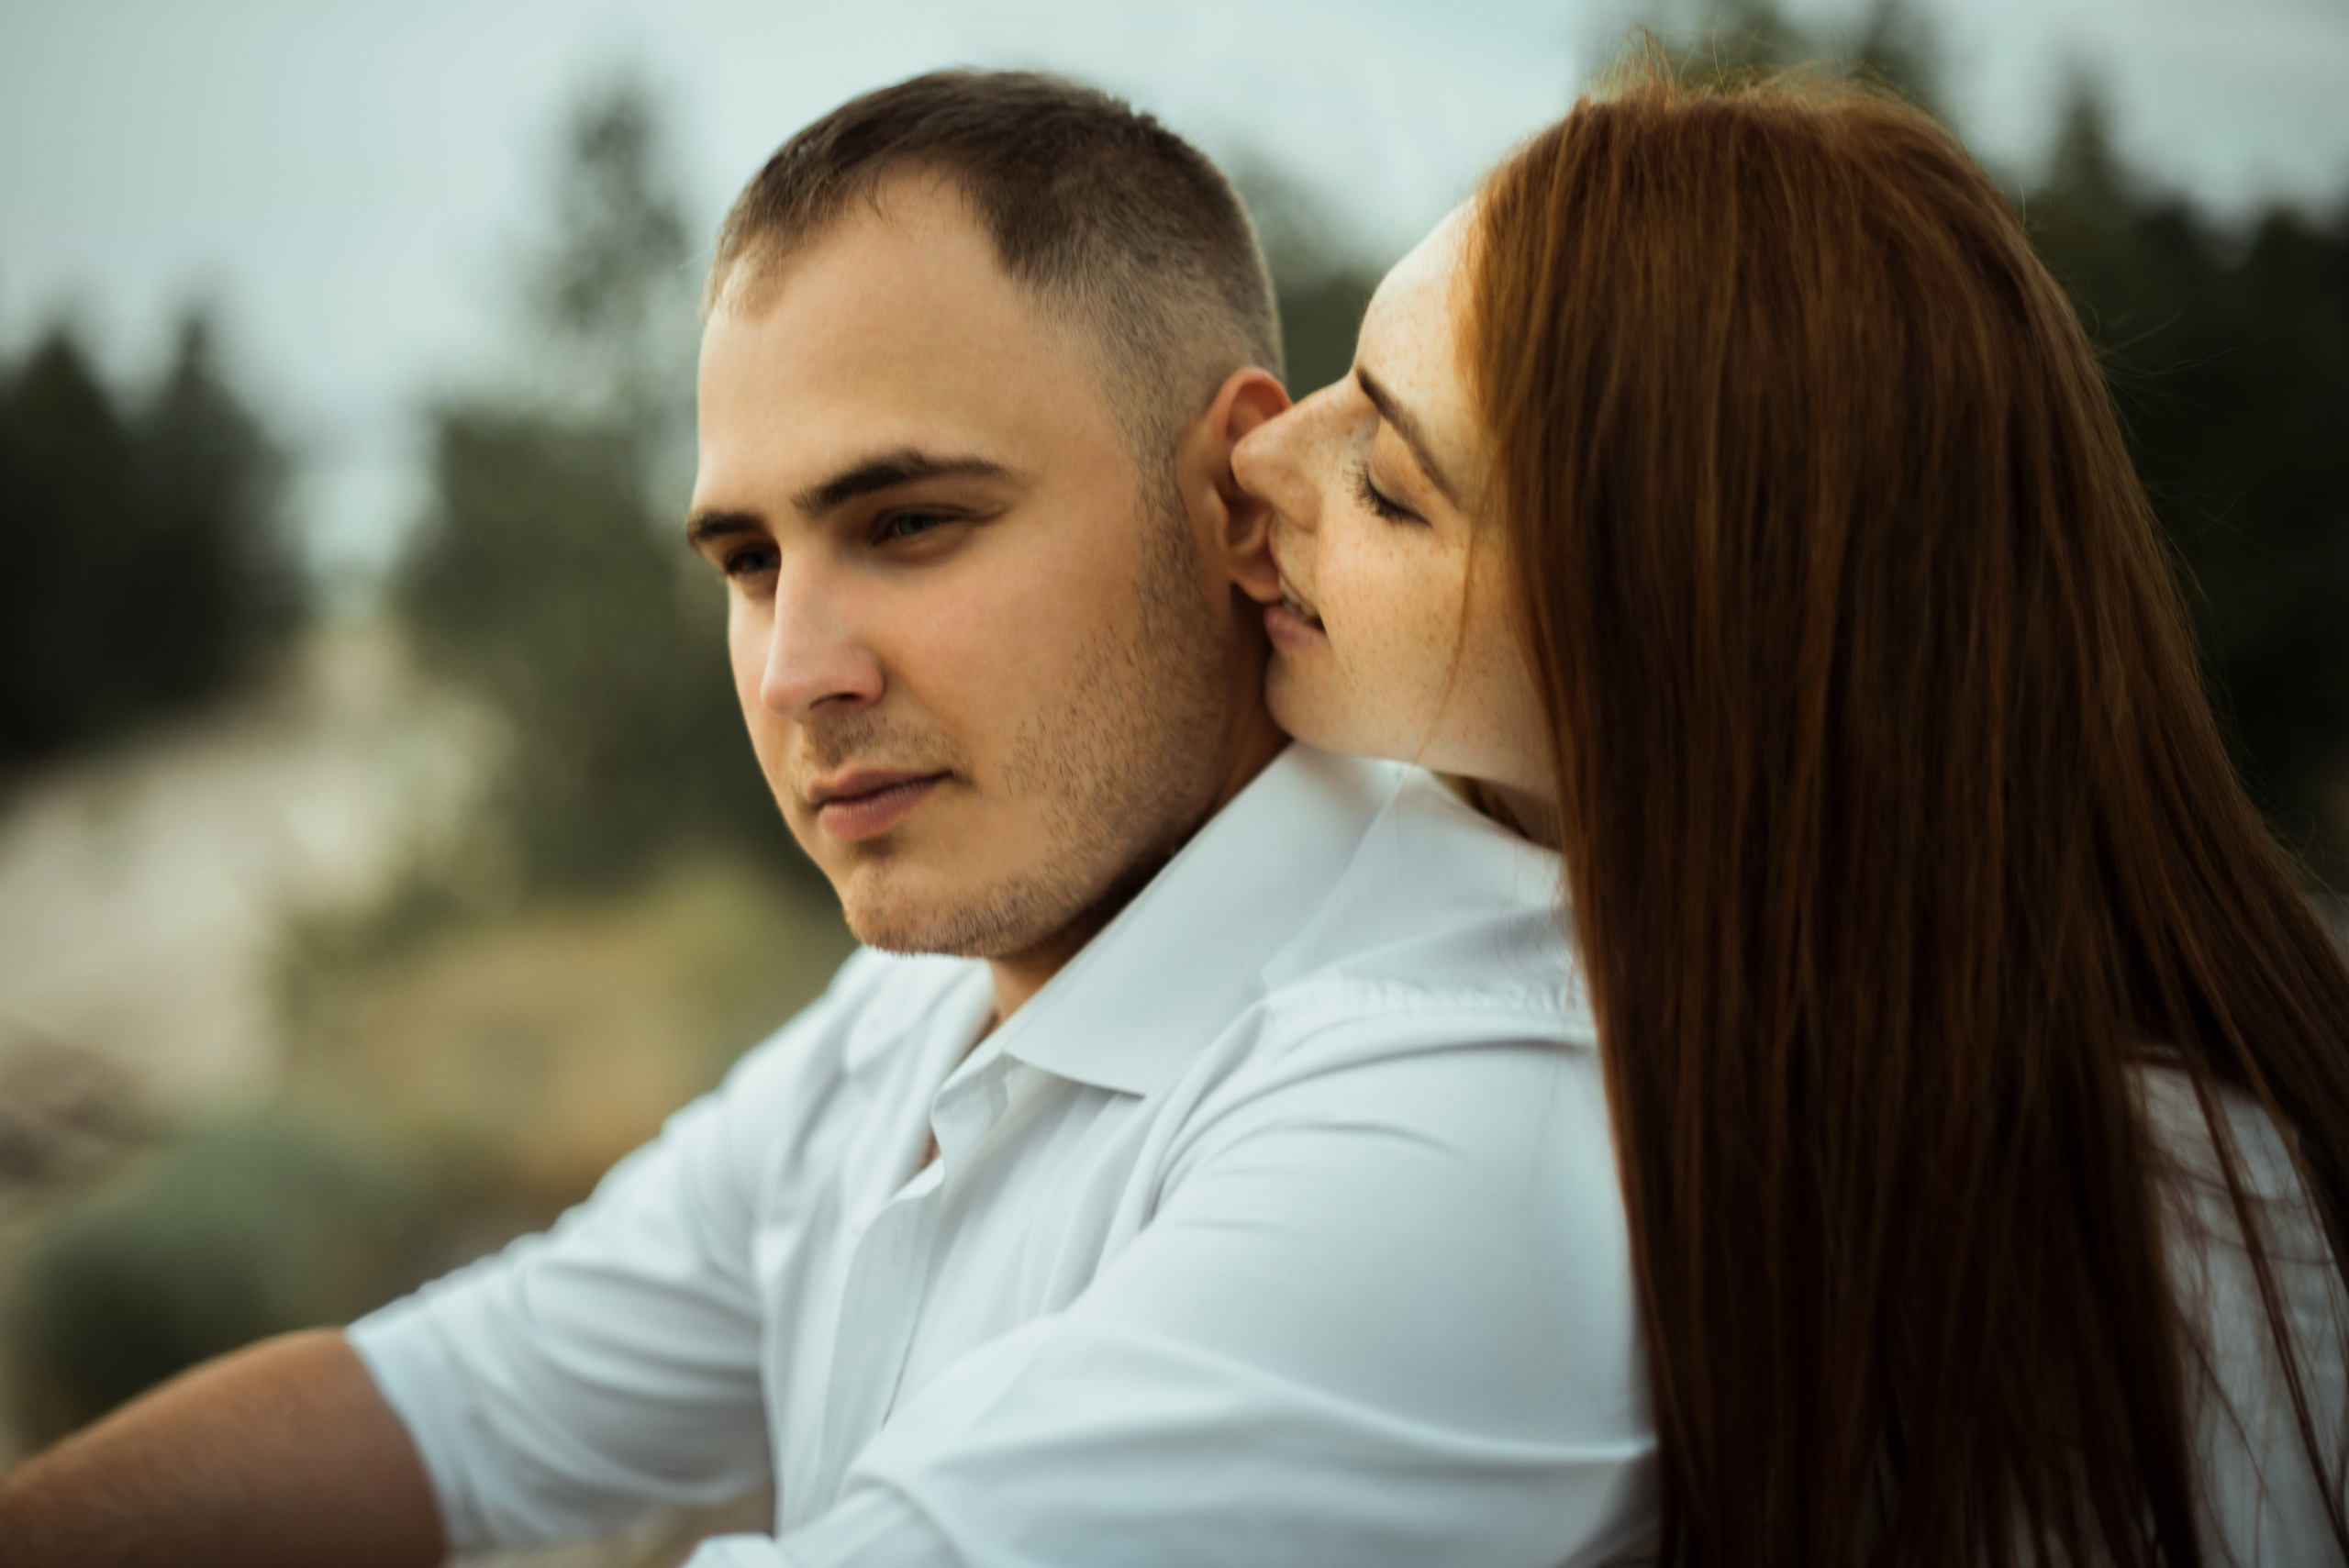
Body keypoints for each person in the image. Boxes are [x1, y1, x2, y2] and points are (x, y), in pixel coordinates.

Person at [0, 72, 1658, 1568]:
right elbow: (462, 1404)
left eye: (913, 519)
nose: (799, 670)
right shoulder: (922, 1004)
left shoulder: (1459, 1093)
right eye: (749, 562)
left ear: (1227, 490)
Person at [1231, 56, 2349, 1568]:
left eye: (1389, 479)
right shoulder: (1671, 1011)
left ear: (1668, 645)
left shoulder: (2160, 1250)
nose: (1259, 456)